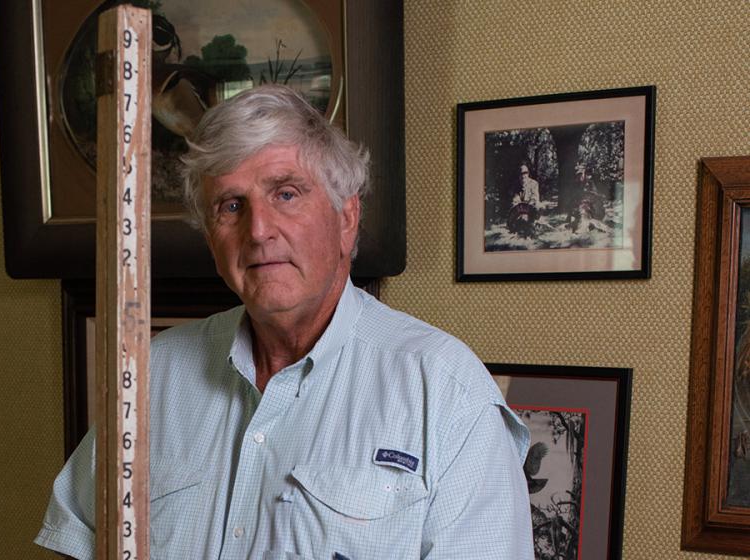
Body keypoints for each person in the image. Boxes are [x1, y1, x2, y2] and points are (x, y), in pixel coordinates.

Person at [35, 85, 533, 559]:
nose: (258, 230)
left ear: (346, 217)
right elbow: (74, 540)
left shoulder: (446, 395)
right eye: (231, 206)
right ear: (211, 238)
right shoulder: (150, 376)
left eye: (286, 194)